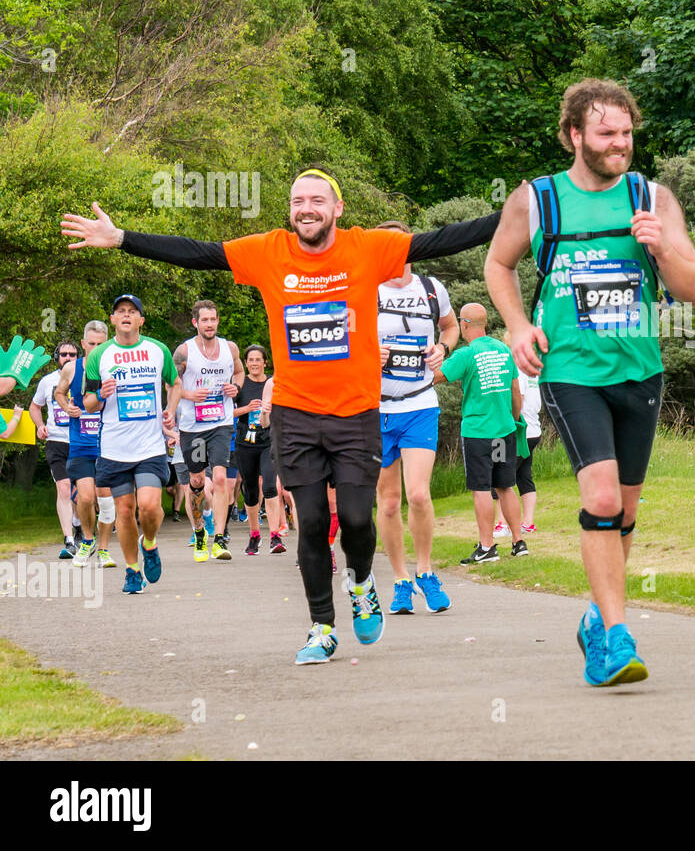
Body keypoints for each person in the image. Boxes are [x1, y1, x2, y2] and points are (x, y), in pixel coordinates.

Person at [63, 167, 499, 663]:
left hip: (356, 412)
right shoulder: (269, 252)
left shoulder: (367, 247)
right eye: (297, 200)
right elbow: (198, 252)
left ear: (337, 208)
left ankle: (361, 581)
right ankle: (321, 627)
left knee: (357, 520)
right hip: (295, 414)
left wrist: (517, 215)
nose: (306, 208)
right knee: (312, 523)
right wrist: (120, 238)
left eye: (317, 199)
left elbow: (443, 240)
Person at [484, 78, 695, 687]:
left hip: (640, 372)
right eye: (608, 133)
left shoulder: (652, 198)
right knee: (603, 500)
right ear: (575, 135)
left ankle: (594, 619)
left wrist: (663, 251)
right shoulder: (537, 201)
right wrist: (518, 325)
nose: (621, 144)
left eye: (628, 133)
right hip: (570, 372)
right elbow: (498, 263)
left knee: (624, 514)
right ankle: (615, 637)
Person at [374, 220, 457, 614]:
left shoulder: (430, 288)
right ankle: (401, 580)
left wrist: (443, 347)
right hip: (374, 409)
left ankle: (426, 570)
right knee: (388, 503)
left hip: (419, 402)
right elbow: (343, 340)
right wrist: (368, 357)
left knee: (419, 494)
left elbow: (451, 326)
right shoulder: (364, 290)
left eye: (400, 245)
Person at [79, 295, 180, 594]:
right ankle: (132, 570)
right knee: (124, 511)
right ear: (112, 320)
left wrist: (171, 410)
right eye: (120, 311)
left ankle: (149, 543)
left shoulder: (157, 350)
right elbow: (88, 404)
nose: (126, 315)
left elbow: (174, 384)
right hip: (114, 448)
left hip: (149, 446)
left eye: (132, 312)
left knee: (149, 507)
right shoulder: (100, 356)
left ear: (140, 320)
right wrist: (102, 395)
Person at [430, 303, 525, 563]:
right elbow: (516, 391)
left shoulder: (467, 354)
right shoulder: (503, 350)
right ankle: (518, 542)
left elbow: (436, 377)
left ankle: (487, 547)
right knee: (506, 486)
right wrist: (513, 419)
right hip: (504, 429)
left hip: (478, 431)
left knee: (481, 489)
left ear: (463, 324)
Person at [168, 300, 244, 562]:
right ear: (195, 323)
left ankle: (220, 539)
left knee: (221, 479)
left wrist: (236, 388)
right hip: (193, 427)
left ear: (217, 321)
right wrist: (189, 394)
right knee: (197, 482)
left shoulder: (229, 348)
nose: (209, 324)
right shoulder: (184, 352)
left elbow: (240, 373)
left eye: (213, 319)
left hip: (221, 422)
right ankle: (199, 532)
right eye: (204, 320)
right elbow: (171, 385)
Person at [53, 321, 117, 568]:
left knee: (106, 498)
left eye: (101, 344)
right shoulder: (71, 368)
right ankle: (88, 540)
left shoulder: (114, 368)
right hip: (80, 444)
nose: (96, 348)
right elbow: (59, 393)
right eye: (92, 344)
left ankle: (103, 549)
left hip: (108, 443)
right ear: (83, 344)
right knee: (86, 498)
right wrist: (66, 406)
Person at [232, 344, 287, 555]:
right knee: (251, 491)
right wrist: (247, 409)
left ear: (265, 362)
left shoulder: (273, 383)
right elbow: (227, 413)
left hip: (268, 441)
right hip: (245, 443)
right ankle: (254, 534)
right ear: (246, 363)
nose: (254, 363)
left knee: (271, 487)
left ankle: (275, 536)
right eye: (251, 360)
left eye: (258, 360)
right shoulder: (240, 384)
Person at [30, 341, 81, 557]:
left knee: (84, 494)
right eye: (64, 354)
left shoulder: (85, 377)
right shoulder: (47, 381)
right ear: (56, 356)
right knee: (64, 489)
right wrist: (40, 425)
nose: (68, 358)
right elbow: (35, 406)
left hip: (81, 441)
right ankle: (69, 540)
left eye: (73, 354)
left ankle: (80, 526)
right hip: (56, 442)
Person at [493, 334, 541, 538]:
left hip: (517, 429)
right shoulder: (533, 369)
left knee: (500, 477)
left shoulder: (516, 368)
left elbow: (517, 397)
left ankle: (501, 523)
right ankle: (528, 522)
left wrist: (510, 422)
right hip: (534, 430)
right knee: (524, 476)